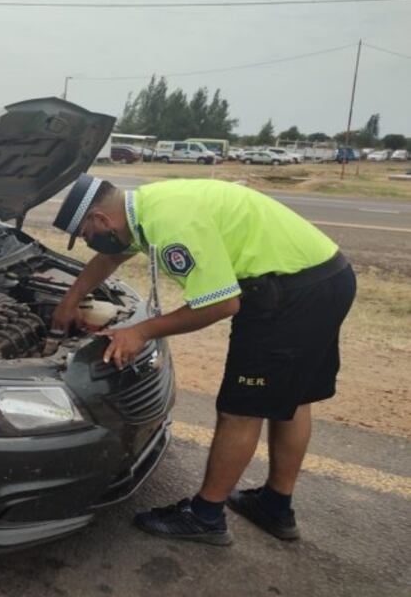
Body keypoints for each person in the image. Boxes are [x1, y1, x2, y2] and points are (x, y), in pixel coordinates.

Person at [50, 175, 356, 545]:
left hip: (286, 296)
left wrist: (141, 331)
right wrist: (71, 299)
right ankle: (275, 506)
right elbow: (112, 255)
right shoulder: (147, 206)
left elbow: (221, 303)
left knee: (240, 410)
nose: (87, 242)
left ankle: (205, 515)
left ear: (100, 220)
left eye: (84, 235)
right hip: (326, 278)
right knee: (293, 398)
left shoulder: (170, 225)